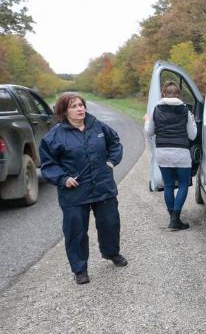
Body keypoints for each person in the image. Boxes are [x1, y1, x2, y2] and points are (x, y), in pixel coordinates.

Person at [40, 93, 127, 285]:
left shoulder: (98, 126)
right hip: (74, 192)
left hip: (103, 186)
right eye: (74, 106)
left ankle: (111, 252)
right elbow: (48, 164)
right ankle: (80, 269)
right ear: (63, 111)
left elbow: (115, 142)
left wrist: (112, 161)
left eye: (81, 105)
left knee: (110, 224)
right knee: (76, 231)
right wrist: (63, 178)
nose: (80, 109)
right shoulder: (54, 136)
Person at [145, 81, 197, 230]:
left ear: (163, 94)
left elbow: (149, 132)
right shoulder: (185, 110)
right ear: (179, 94)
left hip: (163, 152)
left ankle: (172, 218)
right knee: (182, 185)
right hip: (181, 153)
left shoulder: (156, 109)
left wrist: (147, 121)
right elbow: (192, 136)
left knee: (168, 185)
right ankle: (175, 219)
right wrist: (192, 120)